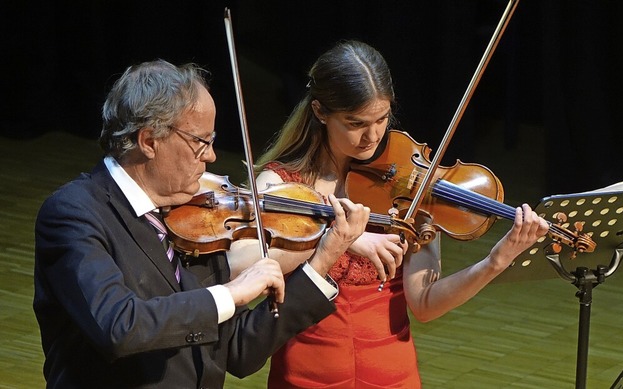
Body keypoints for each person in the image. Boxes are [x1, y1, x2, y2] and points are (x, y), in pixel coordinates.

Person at [32, 59, 370, 388]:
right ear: (149, 141)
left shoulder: (195, 220)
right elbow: (119, 327)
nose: (211, 155)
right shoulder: (75, 214)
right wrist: (230, 292)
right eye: (200, 142)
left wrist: (324, 258)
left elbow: (238, 352)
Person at [245, 40, 549, 388]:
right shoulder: (280, 185)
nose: (371, 136)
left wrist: (496, 261)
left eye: (381, 119)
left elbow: (425, 303)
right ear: (320, 111)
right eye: (355, 122)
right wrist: (341, 239)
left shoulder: (407, 186)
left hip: (393, 375)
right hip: (305, 375)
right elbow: (250, 269)